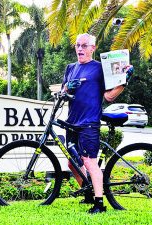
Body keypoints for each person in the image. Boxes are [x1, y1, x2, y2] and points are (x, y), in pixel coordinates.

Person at [61, 33, 133, 214]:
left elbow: (109, 96)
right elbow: (63, 92)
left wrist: (124, 80)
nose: (80, 49)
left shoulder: (100, 69)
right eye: (77, 45)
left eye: (84, 46)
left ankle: (99, 204)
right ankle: (87, 194)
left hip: (89, 122)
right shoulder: (70, 68)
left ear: (93, 48)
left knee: (89, 161)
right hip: (73, 122)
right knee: (73, 164)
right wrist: (67, 88)